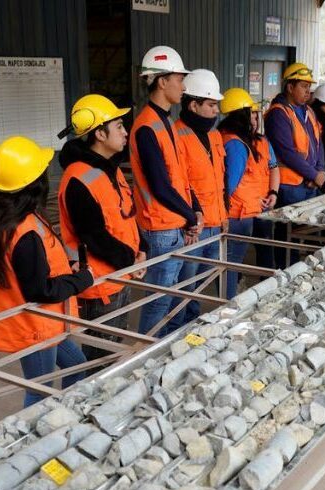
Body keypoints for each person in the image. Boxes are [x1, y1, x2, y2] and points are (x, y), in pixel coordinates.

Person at [0, 136, 94, 407]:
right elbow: (39, 290)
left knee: (76, 366)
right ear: (36, 183)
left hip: (38, 324)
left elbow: (32, 269)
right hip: (34, 327)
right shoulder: (24, 230)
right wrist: (80, 280)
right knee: (38, 391)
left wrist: (67, 269)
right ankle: (35, 438)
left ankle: (65, 416)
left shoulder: (1, 215)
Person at [57, 94, 146, 363]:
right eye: (118, 126)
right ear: (99, 134)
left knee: (113, 347)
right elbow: (94, 236)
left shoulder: (111, 169)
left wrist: (142, 248)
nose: (125, 131)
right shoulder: (78, 180)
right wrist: (131, 259)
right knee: (97, 358)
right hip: (98, 286)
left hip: (121, 274)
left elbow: (127, 215)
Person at [130, 45, 203, 334]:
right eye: (180, 79)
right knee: (159, 302)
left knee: (169, 299)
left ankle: (157, 351)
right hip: (160, 227)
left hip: (173, 223)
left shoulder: (166, 122)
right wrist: (190, 215)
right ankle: (145, 356)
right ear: (162, 81)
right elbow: (160, 186)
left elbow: (179, 175)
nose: (184, 87)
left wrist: (193, 207)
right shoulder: (147, 126)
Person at [167, 69, 227, 330]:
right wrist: (188, 222)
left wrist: (224, 217)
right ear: (194, 104)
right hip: (194, 227)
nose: (216, 111)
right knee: (185, 287)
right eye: (212, 104)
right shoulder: (176, 136)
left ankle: (195, 331)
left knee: (204, 283)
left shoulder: (214, 135)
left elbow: (219, 182)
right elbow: (179, 185)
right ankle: (178, 334)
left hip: (216, 225)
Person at [219, 88, 281, 297]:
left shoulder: (260, 141)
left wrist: (273, 192)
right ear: (241, 116)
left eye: (256, 114)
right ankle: (228, 304)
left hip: (256, 209)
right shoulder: (235, 143)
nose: (255, 118)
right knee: (230, 265)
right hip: (239, 214)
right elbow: (229, 185)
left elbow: (273, 167)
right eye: (252, 114)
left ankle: (232, 298)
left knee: (232, 263)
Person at [264, 61, 325, 267]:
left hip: (309, 183)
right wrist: (313, 175)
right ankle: (284, 271)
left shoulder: (308, 111)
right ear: (290, 87)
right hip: (290, 186)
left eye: (309, 87)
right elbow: (287, 152)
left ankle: (299, 271)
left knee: (304, 232)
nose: (308, 91)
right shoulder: (278, 113)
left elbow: (318, 142)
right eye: (303, 86)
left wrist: (320, 170)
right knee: (286, 234)